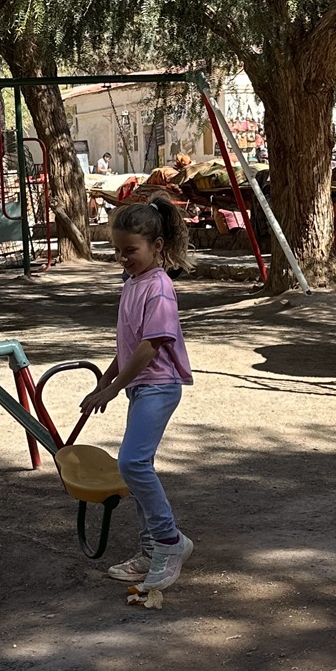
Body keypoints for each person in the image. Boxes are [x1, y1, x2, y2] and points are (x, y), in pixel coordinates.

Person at [80, 192, 194, 590]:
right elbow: (128, 343)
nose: (123, 258)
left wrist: (113, 388)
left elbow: (149, 347)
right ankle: (150, 550)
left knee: (132, 464)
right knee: (136, 467)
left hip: (159, 386)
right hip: (141, 387)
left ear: (157, 246)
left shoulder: (159, 288)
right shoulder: (133, 282)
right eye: (117, 251)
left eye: (130, 251)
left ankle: (169, 543)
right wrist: (106, 378)